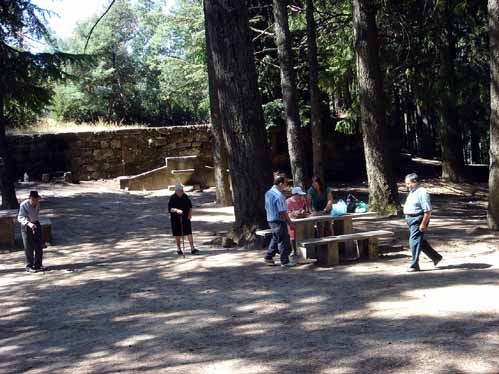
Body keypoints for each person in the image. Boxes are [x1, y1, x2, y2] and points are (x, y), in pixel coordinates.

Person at [403, 173, 442, 272]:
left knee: (414, 241)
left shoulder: (422, 192)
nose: (407, 186)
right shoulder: (412, 191)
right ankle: (435, 257)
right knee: (419, 240)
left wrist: (423, 223)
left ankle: (414, 265)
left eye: (408, 183)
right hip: (410, 219)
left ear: (415, 182)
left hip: (418, 219)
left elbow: (428, 210)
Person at [264, 176, 296, 267]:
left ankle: (268, 257)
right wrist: (290, 223)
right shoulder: (279, 195)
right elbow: (282, 211)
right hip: (278, 220)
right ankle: (284, 261)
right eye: (285, 183)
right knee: (284, 239)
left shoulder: (268, 193)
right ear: (281, 183)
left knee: (276, 238)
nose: (286, 185)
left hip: (270, 219)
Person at [168, 183, 199, 255]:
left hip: (185, 217)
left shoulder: (185, 197)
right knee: (177, 233)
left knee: (189, 232)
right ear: (176, 191)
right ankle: (179, 249)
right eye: (179, 191)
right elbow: (170, 209)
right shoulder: (172, 198)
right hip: (175, 219)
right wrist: (176, 210)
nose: (180, 192)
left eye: (181, 190)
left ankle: (192, 248)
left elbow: (190, 206)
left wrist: (190, 214)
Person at [18, 190, 44, 273]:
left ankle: (38, 264)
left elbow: (36, 214)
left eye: (37, 199)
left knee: (39, 245)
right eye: (33, 199)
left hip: (36, 223)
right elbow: (20, 217)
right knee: (28, 246)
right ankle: (29, 266)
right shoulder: (23, 205)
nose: (35, 201)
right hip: (26, 225)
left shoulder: (38, 204)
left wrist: (34, 223)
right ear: (29, 198)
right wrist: (29, 223)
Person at [286, 186, 308, 256]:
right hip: (292, 221)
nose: (301, 196)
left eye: (301, 195)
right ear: (295, 194)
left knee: (305, 230)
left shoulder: (303, 200)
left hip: (301, 220)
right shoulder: (288, 201)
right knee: (292, 233)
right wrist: (296, 213)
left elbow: (306, 210)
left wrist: (303, 211)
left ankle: (304, 250)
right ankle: (293, 250)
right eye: (299, 194)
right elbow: (288, 213)